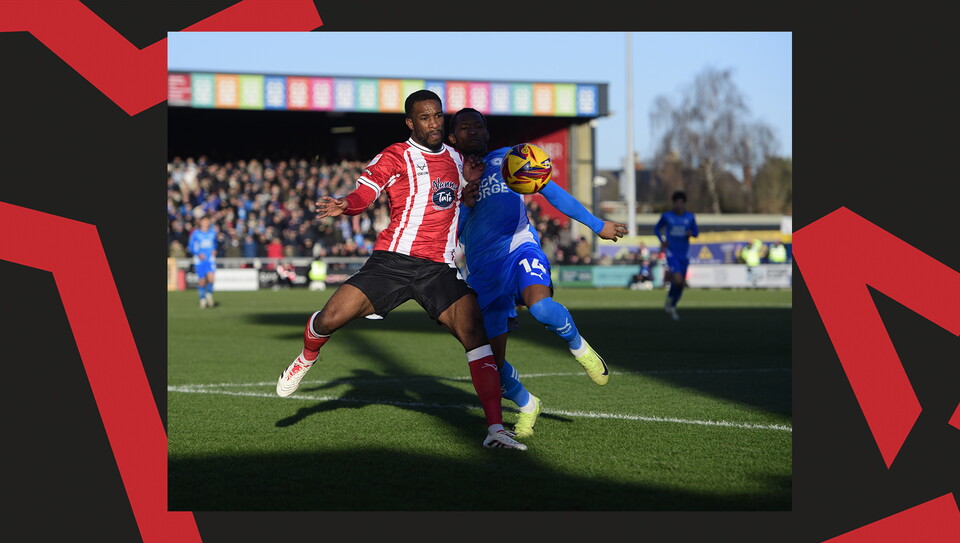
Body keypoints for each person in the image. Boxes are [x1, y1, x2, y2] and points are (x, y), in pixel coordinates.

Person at [275, 90, 526, 450]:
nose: (434, 123)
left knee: (476, 336)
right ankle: (306, 357)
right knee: (329, 319)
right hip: (393, 262)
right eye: (425, 117)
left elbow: (463, 197)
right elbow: (365, 193)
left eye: (438, 116)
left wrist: (470, 192)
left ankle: (496, 430)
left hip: (438, 268)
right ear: (411, 123)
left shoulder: (457, 159)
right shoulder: (396, 155)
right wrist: (346, 205)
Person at [447, 107, 627, 438]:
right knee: (492, 364)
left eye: (478, 126)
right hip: (483, 272)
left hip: (520, 249)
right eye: (464, 127)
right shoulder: (449, 177)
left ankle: (579, 347)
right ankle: (527, 403)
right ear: (452, 137)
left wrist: (597, 224)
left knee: (541, 307)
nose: (472, 131)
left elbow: (551, 190)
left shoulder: (509, 158)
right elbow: (447, 232)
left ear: (487, 133)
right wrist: (465, 205)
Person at [655, 190, 699, 320]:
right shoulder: (667, 216)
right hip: (671, 252)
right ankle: (671, 303)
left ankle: (671, 303)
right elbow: (657, 229)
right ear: (673, 203)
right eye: (677, 203)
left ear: (684, 204)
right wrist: (662, 240)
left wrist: (691, 233)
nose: (679, 205)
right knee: (678, 280)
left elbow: (696, 232)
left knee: (680, 284)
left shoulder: (690, 217)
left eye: (681, 203)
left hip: (684, 254)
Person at [188, 215, 217, 309]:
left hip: (210, 259)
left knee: (211, 278)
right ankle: (202, 299)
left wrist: (215, 250)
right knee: (202, 281)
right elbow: (191, 247)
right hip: (200, 260)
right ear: (200, 222)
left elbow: (215, 244)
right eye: (203, 221)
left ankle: (209, 295)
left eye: (207, 221)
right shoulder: (196, 234)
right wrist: (198, 253)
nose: (205, 223)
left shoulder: (212, 232)